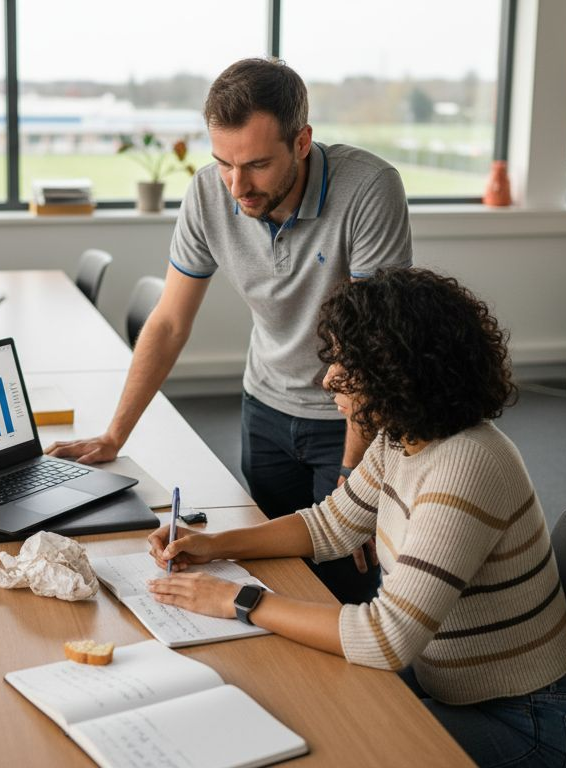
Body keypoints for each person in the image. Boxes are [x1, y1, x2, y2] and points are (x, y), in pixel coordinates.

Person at [145, 268, 566, 768]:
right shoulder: (402, 436)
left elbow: (386, 637)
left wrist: (239, 599)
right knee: (301, 698)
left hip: (528, 720)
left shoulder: (468, 465)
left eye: (345, 361)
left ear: (399, 369)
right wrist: (214, 544)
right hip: (444, 680)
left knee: (339, 748)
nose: (327, 377)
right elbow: (328, 526)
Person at [47, 58, 412, 603]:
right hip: (264, 408)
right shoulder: (208, 194)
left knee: (343, 585)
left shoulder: (369, 190)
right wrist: (114, 434)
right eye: (224, 163)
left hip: (347, 419)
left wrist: (354, 469)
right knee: (274, 573)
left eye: (258, 165)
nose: (238, 186)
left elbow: (371, 347)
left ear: (303, 141)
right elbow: (169, 322)